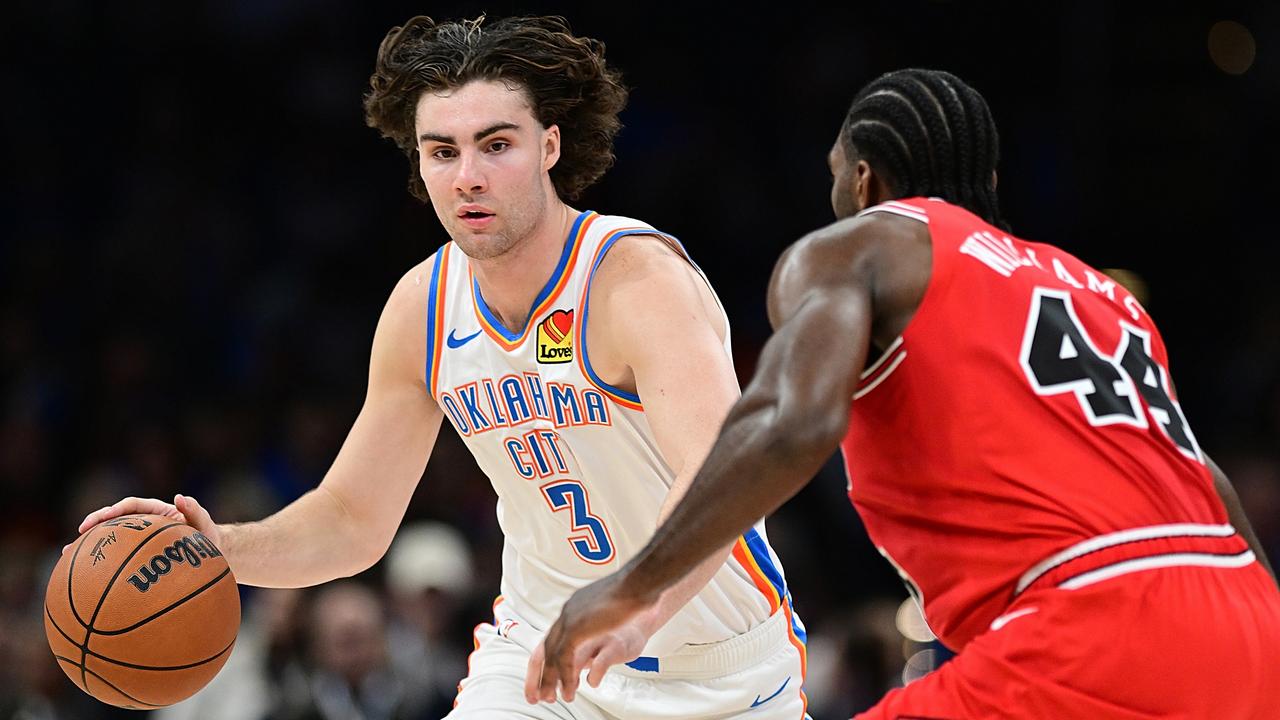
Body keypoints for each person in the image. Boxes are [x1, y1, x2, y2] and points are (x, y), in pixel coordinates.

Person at [73, 14, 810, 720]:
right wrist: (218, 549)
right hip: (539, 654)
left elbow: (728, 475)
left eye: (496, 145)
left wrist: (636, 602)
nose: (468, 177)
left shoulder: (634, 281)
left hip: (718, 668)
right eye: (442, 151)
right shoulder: (423, 308)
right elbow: (353, 520)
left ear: (551, 146)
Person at [530, 68, 1280, 718]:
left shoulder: (865, 244)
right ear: (987, 184)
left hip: (1093, 622)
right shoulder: (1103, 294)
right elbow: (1206, 485)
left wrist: (634, 584)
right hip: (1250, 620)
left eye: (834, 175)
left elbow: (792, 424)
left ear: (863, 181)